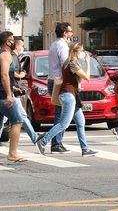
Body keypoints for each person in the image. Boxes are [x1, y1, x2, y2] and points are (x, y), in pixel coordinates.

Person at [36, 41, 96, 157]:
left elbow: (78, 80)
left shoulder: (69, 62)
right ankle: (42, 141)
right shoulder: (72, 63)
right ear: (76, 51)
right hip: (68, 96)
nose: (83, 53)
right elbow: (87, 77)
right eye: (82, 51)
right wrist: (88, 63)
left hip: (71, 95)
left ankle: (85, 149)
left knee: (81, 122)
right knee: (64, 124)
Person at [0, 32, 30, 164]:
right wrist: (9, 94)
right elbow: (4, 75)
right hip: (3, 95)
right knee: (17, 121)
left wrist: (12, 88)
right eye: (11, 40)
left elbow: (2, 77)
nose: (14, 42)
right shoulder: (5, 55)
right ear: (6, 41)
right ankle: (12, 153)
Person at [44, 22, 72, 153]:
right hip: (60, 82)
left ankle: (56, 142)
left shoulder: (54, 44)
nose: (71, 34)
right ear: (65, 33)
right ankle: (55, 143)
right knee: (61, 115)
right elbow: (66, 65)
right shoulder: (63, 46)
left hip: (52, 80)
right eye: (70, 31)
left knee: (59, 114)